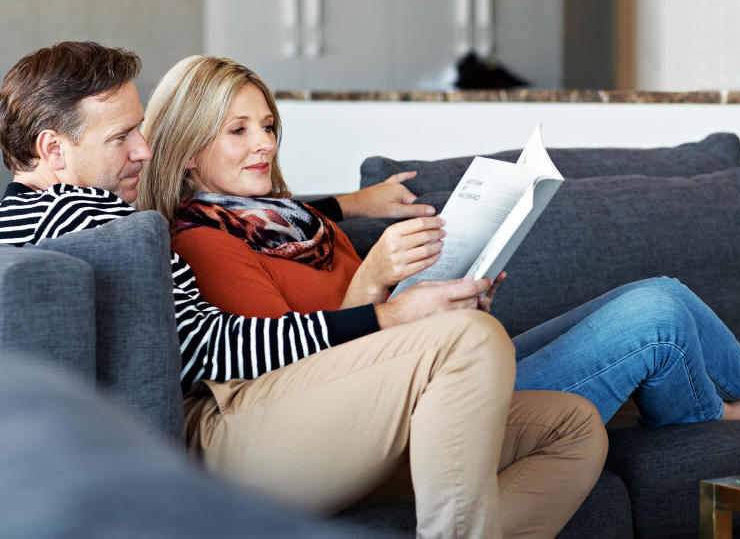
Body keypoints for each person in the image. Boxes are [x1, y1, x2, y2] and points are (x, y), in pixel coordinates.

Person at [0, 42, 608, 539]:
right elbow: (217, 351)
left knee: (574, 428)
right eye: (122, 138)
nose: (144, 149)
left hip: (277, 422)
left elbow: (237, 212)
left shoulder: (48, 216)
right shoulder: (87, 216)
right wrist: (393, 315)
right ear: (53, 150)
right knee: (470, 340)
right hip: (219, 435)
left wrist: (347, 206)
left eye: (142, 131)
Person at [139, 54, 740, 431]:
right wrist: (378, 278)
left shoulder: (287, 219)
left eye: (268, 125)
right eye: (239, 130)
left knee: (662, 294)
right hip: (410, 404)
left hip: (447, 361)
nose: (263, 143)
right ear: (189, 150)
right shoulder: (205, 242)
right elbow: (289, 386)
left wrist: (461, 282)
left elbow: (339, 270)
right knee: (656, 323)